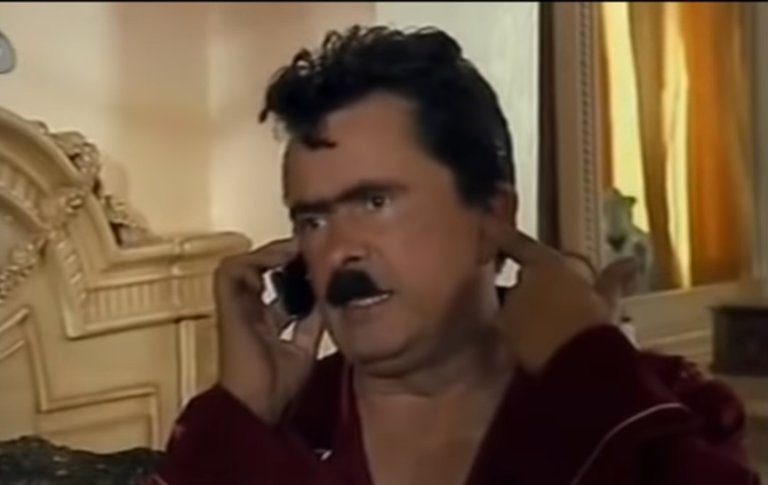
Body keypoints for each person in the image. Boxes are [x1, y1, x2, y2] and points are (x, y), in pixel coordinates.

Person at [149, 25, 760, 485]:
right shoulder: (273, 427)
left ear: (493, 215)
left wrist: (589, 370)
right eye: (313, 219)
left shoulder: (651, 404)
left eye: (375, 201)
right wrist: (242, 412)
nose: (339, 249)